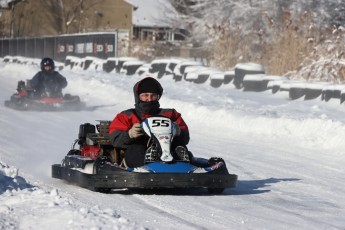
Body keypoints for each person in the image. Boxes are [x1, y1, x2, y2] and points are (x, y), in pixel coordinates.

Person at [109, 77, 190, 168]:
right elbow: (114, 139)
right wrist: (130, 134)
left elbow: (185, 138)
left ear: (158, 97)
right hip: (138, 151)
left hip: (167, 148)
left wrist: (179, 132)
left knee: (178, 147)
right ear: (138, 96)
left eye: (153, 95)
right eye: (145, 95)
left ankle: (183, 165)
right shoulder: (126, 116)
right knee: (135, 150)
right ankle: (148, 163)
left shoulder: (170, 114)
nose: (149, 99)